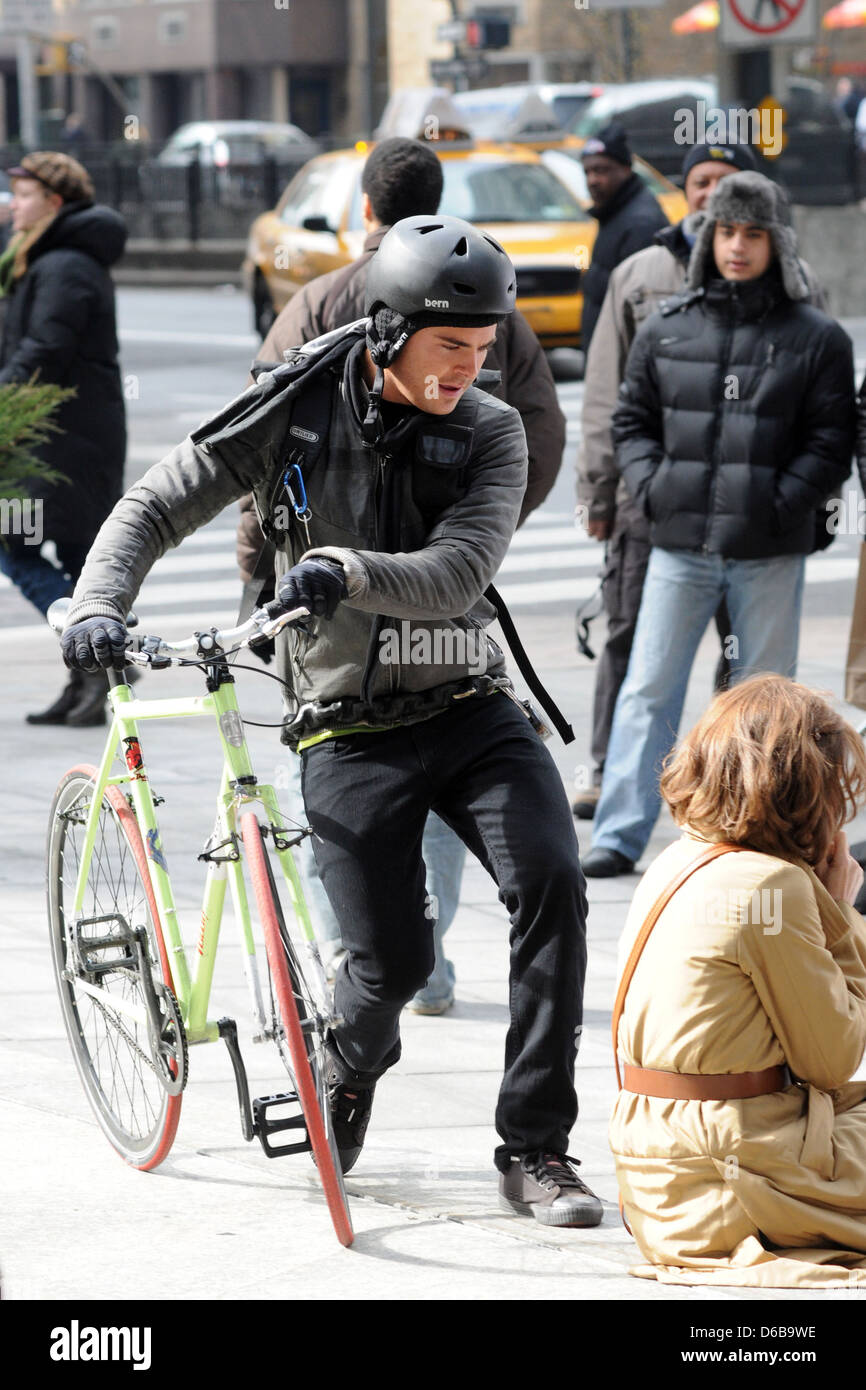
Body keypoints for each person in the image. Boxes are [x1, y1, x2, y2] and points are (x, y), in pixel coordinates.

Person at [60, 214, 603, 1226]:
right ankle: (344, 1069)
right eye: (452, 348)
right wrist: (98, 604)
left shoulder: (488, 430)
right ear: (388, 331)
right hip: (346, 724)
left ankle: (535, 1146)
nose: (468, 370)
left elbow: (456, 577)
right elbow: (151, 505)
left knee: (552, 885)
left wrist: (345, 569)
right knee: (388, 966)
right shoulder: (292, 412)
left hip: (469, 704)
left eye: (483, 351)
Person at [239, 135, 567, 1016]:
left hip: (349, 605)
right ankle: (403, 966)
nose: (468, 362)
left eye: (476, 352)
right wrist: (477, 520)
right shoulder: (481, 298)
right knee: (381, 785)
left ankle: (365, 961)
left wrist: (268, 558)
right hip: (372, 595)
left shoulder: (317, 295)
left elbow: (262, 468)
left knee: (356, 802)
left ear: (366, 213)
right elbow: (542, 421)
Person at [581, 170, 856, 878]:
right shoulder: (669, 327)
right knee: (649, 689)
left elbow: (831, 439)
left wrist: (780, 503)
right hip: (679, 546)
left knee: (767, 700)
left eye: (753, 234)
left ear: (776, 243)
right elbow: (631, 421)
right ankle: (619, 832)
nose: (737, 246)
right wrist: (653, 490)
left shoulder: (816, 337)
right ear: (710, 237)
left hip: (769, 551)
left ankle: (760, 829)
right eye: (727, 231)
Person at [611, 674, 866, 1288]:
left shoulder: (683, 855)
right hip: (733, 1174)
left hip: (666, 1168)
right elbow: (834, 1058)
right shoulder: (769, 887)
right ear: (805, 788)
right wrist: (842, 917)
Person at [0, 151, 127, 726]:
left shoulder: (65, 265)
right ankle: (90, 667)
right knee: (69, 556)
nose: (12, 204)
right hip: (55, 436)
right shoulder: (42, 258)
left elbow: (43, 352)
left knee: (18, 543)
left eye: (23, 194)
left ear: (53, 201)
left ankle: (94, 661)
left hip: (64, 439)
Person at [578, 122, 669, 353]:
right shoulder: (614, 212)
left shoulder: (641, 223)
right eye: (587, 171)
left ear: (626, 169)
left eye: (601, 170)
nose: (592, 180)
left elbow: (641, 305)